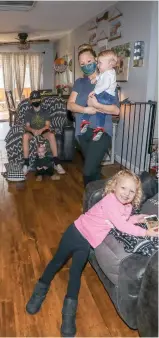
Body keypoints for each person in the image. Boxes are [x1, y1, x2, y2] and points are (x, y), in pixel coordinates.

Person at [26, 169, 158, 337]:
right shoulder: (110, 201)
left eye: (132, 191)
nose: (126, 194)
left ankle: (68, 314)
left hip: (87, 242)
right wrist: (146, 233)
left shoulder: (127, 207)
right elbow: (121, 226)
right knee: (56, 263)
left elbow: (122, 220)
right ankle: (40, 290)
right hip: (75, 233)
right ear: (114, 186)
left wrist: (138, 219)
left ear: (136, 194)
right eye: (123, 188)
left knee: (75, 274)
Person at [67, 44, 119, 187]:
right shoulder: (80, 82)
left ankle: (90, 203)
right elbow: (69, 105)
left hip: (102, 132)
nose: (86, 65)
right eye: (82, 63)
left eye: (89, 61)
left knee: (88, 170)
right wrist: (86, 110)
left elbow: (116, 110)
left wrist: (97, 106)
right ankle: (98, 204)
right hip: (82, 133)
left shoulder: (108, 80)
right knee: (94, 169)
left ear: (96, 60)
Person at [22, 90, 65, 175]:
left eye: (37, 99)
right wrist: (33, 131)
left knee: (52, 135)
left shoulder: (45, 111)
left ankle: (56, 163)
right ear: (31, 101)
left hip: (43, 131)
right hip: (32, 131)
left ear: (40, 99)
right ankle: (26, 164)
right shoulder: (28, 112)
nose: (35, 101)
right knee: (25, 136)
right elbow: (27, 126)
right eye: (33, 100)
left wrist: (40, 131)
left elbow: (47, 125)